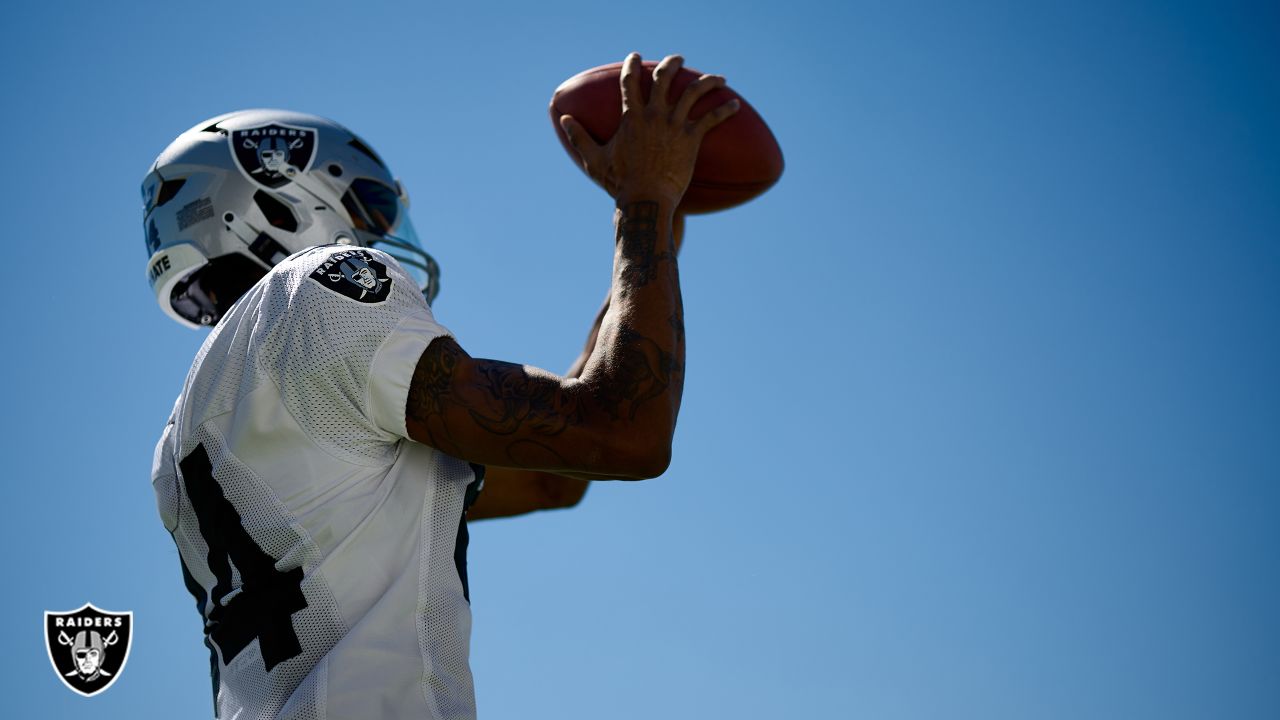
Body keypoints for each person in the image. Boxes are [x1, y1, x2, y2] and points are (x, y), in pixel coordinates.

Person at [144, 53, 738, 719]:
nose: (377, 235)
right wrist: (645, 199)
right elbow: (627, 430)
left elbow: (555, 476)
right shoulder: (315, 291)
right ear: (277, 206)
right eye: (367, 209)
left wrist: (652, 236)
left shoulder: (189, 433)